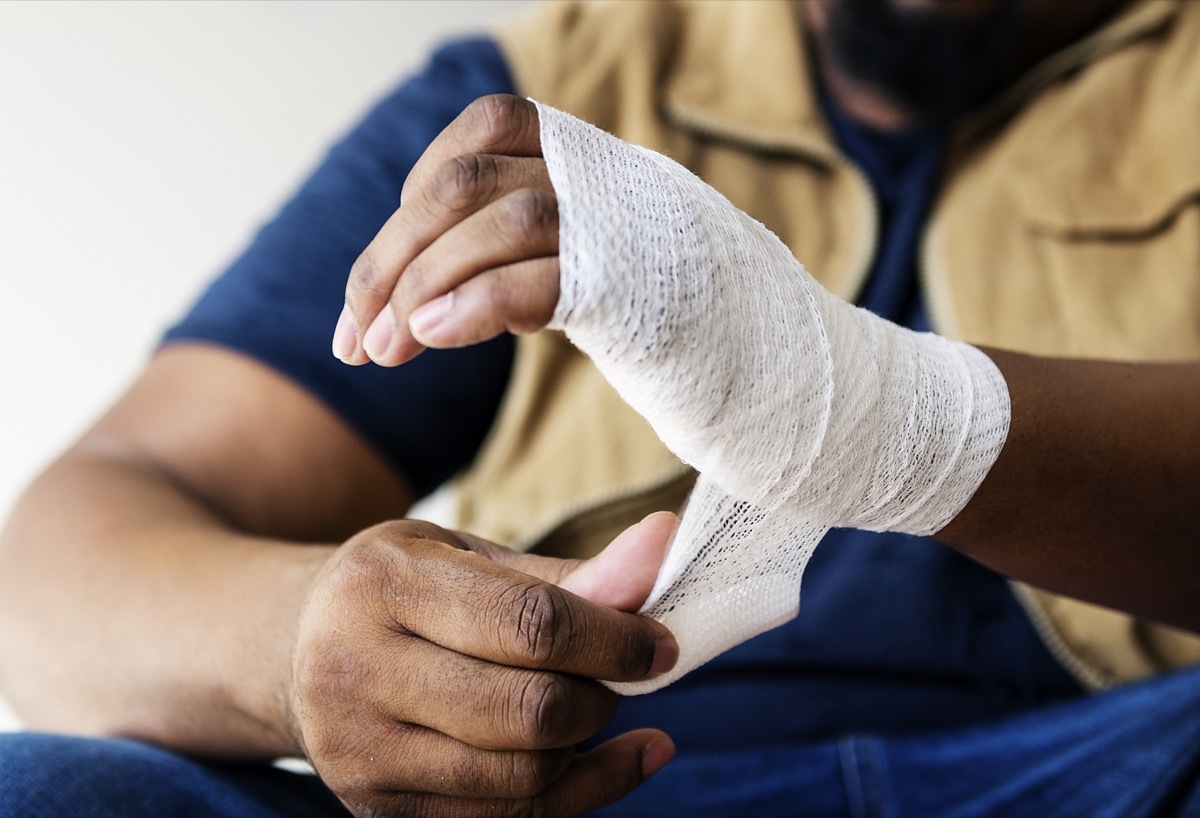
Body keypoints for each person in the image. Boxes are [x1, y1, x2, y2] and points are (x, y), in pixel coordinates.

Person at [2, 0, 1199, 816]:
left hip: (1114, 763)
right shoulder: (543, 98)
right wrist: (301, 643)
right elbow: (61, 568)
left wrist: (883, 416)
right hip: (590, 781)